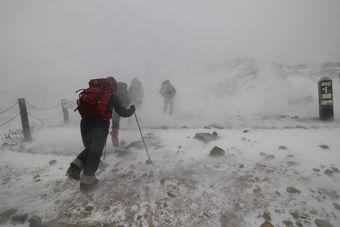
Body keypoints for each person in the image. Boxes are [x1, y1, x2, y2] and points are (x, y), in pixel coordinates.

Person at [66, 77, 135, 192]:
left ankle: (75, 168)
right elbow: (123, 112)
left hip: (85, 123)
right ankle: (86, 183)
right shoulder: (111, 95)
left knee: (90, 149)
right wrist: (132, 109)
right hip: (100, 124)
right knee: (95, 153)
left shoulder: (93, 91)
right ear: (113, 86)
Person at [111, 82, 130, 150]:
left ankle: (114, 141)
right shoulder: (124, 89)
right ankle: (115, 143)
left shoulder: (113, 89)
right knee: (116, 125)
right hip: (121, 108)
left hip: (112, 109)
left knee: (114, 125)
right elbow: (128, 100)